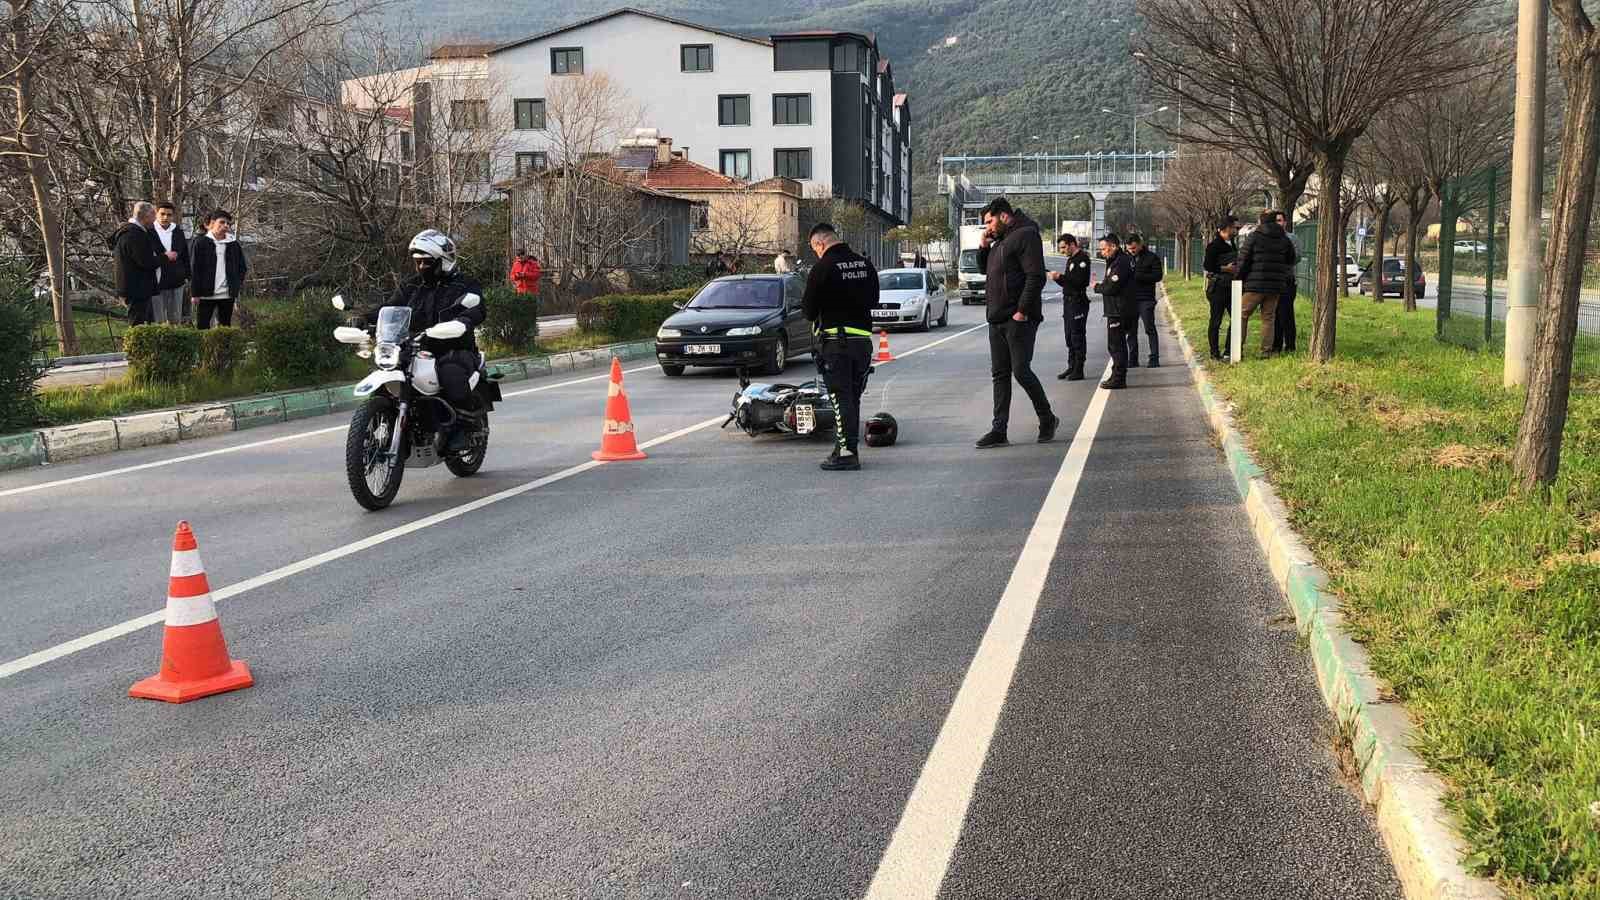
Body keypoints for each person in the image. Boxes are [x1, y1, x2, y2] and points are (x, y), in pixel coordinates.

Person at [369, 229, 487, 453]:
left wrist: (463, 321)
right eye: (417, 262)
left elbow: (478, 308)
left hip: (453, 347)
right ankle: (378, 425)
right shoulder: (411, 286)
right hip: (414, 347)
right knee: (387, 374)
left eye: (426, 262)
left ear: (443, 261)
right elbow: (389, 307)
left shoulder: (465, 285)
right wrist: (363, 318)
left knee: (450, 374)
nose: (421, 267)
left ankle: (462, 428)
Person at [974, 197, 1058, 448]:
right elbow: (984, 271)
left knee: (1021, 371)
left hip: (1018, 318)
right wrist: (983, 246)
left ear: (1002, 215)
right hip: (996, 319)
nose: (987, 227)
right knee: (1000, 375)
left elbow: (1035, 277)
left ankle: (1047, 418)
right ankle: (999, 429)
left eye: (989, 221)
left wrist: (1021, 311)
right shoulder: (999, 240)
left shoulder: (1026, 235)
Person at [801, 223, 877, 471]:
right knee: (853, 397)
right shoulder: (864, 264)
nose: (816, 254)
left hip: (836, 343)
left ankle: (846, 453)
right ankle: (846, 446)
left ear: (819, 244)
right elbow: (874, 299)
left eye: (815, 249)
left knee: (840, 397)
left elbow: (809, 311)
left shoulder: (822, 268)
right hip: (863, 343)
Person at [1235, 209, 1297, 355]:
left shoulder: (1254, 236)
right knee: (1268, 317)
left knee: (1242, 314)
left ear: (1260, 221)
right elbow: (1291, 259)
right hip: (1275, 286)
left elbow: (1243, 259)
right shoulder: (1284, 238)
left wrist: (1238, 277)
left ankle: (1237, 349)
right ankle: (1266, 351)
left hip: (1255, 284)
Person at [189, 209, 248, 329]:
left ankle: (223, 348)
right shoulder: (200, 242)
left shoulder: (233, 244)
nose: (225, 225)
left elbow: (242, 267)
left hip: (227, 294)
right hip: (206, 294)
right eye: (222, 222)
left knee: (225, 327)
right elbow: (194, 269)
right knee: (202, 327)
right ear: (212, 223)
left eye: (228, 223)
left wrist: (236, 284)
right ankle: (204, 348)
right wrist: (195, 293)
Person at [1092, 233, 1137, 390]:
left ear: (1113, 246)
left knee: (1117, 345)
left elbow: (1112, 286)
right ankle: (1116, 374)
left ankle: (1119, 378)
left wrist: (1097, 287)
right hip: (1115, 309)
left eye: (1104, 249)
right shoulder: (1114, 261)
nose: (1102, 252)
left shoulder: (1121, 262)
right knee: (1115, 345)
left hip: (1120, 310)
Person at [108, 201, 164, 326]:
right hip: (137, 288)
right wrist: (164, 258)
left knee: (145, 324)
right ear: (146, 216)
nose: (155, 219)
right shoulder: (134, 235)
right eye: (153, 215)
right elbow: (146, 262)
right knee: (137, 325)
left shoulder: (135, 232)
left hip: (137, 287)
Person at [1047, 233, 1092, 380]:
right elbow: (1068, 283)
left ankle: (1079, 369)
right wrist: (1057, 278)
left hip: (1078, 303)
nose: (1062, 251)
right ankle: (1071, 366)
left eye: (1063, 247)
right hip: (1068, 303)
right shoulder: (1071, 260)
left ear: (1072, 244)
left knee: (1077, 336)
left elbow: (1080, 282)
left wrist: (1060, 277)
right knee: (1069, 336)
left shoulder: (1082, 259)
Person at [1203, 215, 1240, 360]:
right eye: (1235, 227)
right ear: (1227, 228)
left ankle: (1229, 350)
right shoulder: (1214, 246)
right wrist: (1226, 269)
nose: (1237, 230)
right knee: (1216, 320)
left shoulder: (1232, 243)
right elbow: (1208, 266)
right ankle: (1214, 352)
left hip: (1232, 287)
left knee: (1236, 319)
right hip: (1218, 288)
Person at [1125, 233, 1164, 367]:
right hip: (1130, 299)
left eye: (1134, 248)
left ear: (1140, 245)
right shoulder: (1126, 258)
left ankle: (1154, 358)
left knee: (1149, 328)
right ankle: (1133, 358)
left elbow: (1158, 276)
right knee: (1131, 330)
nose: (1132, 251)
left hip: (1146, 298)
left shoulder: (1151, 258)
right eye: (1129, 249)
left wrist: (1140, 276)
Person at [151, 202, 189, 325]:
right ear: (156, 214)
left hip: (177, 281)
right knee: (159, 320)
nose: (165, 217)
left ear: (173, 216)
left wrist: (187, 274)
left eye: (169, 215)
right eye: (162, 214)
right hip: (157, 281)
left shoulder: (178, 231)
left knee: (175, 319)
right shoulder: (149, 231)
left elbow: (185, 255)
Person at [1271, 210, 1299, 353]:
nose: (1278, 223)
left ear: (1285, 222)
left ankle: (1290, 345)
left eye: (1280, 220)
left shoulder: (1291, 238)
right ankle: (1276, 345)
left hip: (1287, 281)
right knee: (1275, 314)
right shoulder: (1270, 238)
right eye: (1276, 220)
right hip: (1274, 282)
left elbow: (1297, 257)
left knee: (1287, 313)